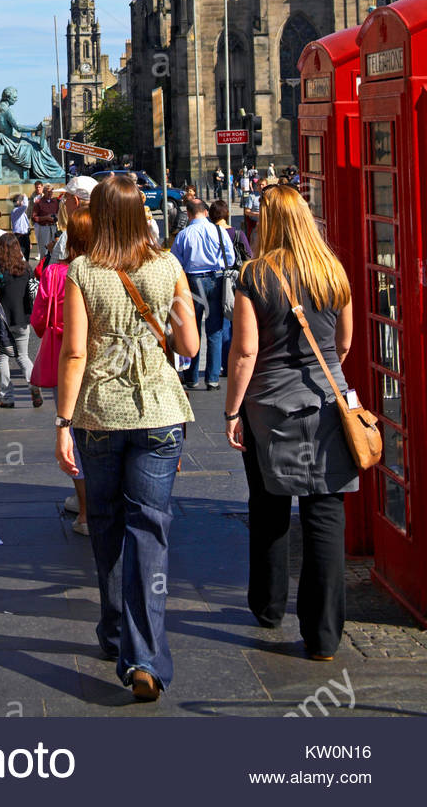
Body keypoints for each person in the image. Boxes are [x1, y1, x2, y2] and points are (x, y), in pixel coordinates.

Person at [56, 175, 200, 701]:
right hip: (160, 413)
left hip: (100, 414)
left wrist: (62, 424)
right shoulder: (168, 267)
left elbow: (74, 353)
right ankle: (144, 656)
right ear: (142, 214)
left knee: (108, 525)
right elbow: (187, 344)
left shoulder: (81, 272)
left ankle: (116, 632)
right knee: (149, 530)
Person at [224, 183, 358, 661]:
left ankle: (268, 606)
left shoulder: (254, 275)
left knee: (269, 506)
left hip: (269, 408)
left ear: (267, 223)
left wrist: (232, 410)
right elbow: (343, 345)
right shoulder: (333, 271)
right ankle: (323, 636)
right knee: (325, 512)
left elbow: (245, 351)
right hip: (327, 402)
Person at [30, 207, 94, 533]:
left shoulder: (55, 274)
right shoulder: (106, 270)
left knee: (72, 436)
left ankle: (85, 512)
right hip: (97, 365)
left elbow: (38, 321)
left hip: (61, 359)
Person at [171, 197, 235, 391]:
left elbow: (175, 262)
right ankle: (212, 378)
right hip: (216, 280)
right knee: (215, 330)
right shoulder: (219, 231)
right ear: (206, 212)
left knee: (192, 327)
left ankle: (191, 377)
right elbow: (230, 258)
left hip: (192, 282)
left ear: (188, 214)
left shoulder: (183, 235)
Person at [0, 233, 41, 409]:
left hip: (3, 322)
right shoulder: (26, 268)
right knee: (23, 357)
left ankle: (7, 397)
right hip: (23, 319)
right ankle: (34, 386)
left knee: (2, 358)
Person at [208, 200, 251, 378]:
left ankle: (223, 365)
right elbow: (249, 257)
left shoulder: (209, 234)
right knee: (238, 323)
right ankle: (235, 363)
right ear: (227, 214)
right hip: (237, 280)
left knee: (221, 323)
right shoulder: (238, 233)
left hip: (216, 279)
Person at [49, 175, 97, 263]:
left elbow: (55, 274)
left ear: (76, 201)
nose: (65, 202)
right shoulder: (107, 231)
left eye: (66, 197)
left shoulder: (69, 236)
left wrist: (54, 251)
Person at [31, 185, 59, 257]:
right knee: (44, 251)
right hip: (44, 228)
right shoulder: (38, 202)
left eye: (51, 191)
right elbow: (34, 217)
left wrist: (56, 216)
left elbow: (58, 213)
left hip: (53, 227)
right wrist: (45, 218)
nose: (50, 193)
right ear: (44, 191)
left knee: (55, 250)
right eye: (48, 191)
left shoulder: (55, 201)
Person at [10, 194, 31, 259]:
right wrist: (25, 197)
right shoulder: (16, 211)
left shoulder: (21, 212)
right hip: (19, 237)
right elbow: (25, 206)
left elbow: (26, 225)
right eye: (22, 200)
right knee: (21, 257)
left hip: (25, 236)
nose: (23, 202)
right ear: (18, 202)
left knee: (26, 256)